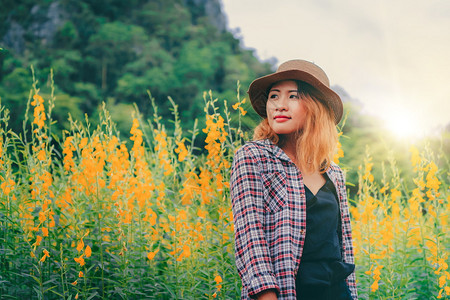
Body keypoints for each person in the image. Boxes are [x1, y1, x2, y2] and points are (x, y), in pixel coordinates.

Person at [230, 59, 357, 300]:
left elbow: (344, 249)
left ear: (315, 107)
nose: (279, 105)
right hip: (289, 292)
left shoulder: (334, 173)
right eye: (274, 96)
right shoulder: (253, 157)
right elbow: (250, 237)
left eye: (293, 96)